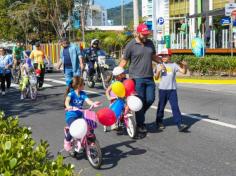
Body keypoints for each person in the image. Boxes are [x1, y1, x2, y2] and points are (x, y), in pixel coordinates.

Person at [119, 23, 161, 133]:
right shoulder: (131, 45)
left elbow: (152, 56)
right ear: (138, 33)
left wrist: (162, 61)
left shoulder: (150, 43)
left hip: (149, 76)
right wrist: (118, 72)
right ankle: (140, 124)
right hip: (136, 78)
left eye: (147, 34)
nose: (146, 36)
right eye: (144, 34)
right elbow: (124, 61)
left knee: (150, 99)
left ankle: (139, 114)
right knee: (140, 101)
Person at [155, 48, 188, 132]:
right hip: (162, 89)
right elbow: (156, 77)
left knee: (175, 106)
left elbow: (183, 72)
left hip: (172, 89)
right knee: (161, 106)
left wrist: (185, 66)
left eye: (165, 56)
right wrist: (158, 71)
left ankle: (179, 124)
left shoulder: (174, 65)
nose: (163, 57)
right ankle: (159, 121)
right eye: (162, 56)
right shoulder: (159, 65)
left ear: (170, 56)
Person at [64, 76, 100, 151]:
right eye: (83, 84)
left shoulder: (83, 93)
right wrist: (68, 106)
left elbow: (88, 100)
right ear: (78, 86)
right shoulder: (71, 94)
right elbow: (67, 101)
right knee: (73, 128)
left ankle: (90, 140)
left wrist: (93, 103)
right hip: (71, 116)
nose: (84, 85)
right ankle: (67, 141)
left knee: (90, 124)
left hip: (80, 114)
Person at [104, 66, 127, 132]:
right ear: (119, 75)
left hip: (122, 98)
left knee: (125, 109)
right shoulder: (114, 82)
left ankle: (123, 121)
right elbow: (107, 91)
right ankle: (113, 123)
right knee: (115, 111)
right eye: (123, 73)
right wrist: (109, 97)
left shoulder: (125, 81)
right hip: (115, 99)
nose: (124, 74)